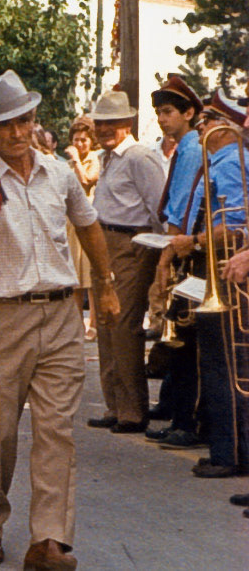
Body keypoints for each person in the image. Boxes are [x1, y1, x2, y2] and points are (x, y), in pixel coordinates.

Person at [0, 70, 119, 570]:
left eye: (24, 121)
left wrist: (106, 284)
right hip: (0, 319)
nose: (17, 132)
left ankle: (50, 540)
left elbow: (88, 226)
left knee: (56, 432)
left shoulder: (59, 172)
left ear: (34, 120)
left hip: (60, 315)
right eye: (5, 124)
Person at [164, 91, 248, 478]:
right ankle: (226, 447)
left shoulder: (232, 162)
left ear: (224, 126)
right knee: (216, 362)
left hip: (227, 269)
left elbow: (234, 225)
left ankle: (230, 452)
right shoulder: (219, 161)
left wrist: (194, 242)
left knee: (225, 364)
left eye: (208, 121)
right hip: (214, 265)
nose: (202, 128)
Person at [87, 90, 166, 434]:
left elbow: (158, 209)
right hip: (104, 240)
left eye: (112, 123)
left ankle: (133, 411)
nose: (104, 129)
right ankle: (115, 406)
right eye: (100, 123)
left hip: (131, 243)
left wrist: (161, 254)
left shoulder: (139, 157)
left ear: (128, 123)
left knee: (123, 325)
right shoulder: (109, 157)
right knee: (106, 325)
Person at [146, 74, 204, 449]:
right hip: (180, 243)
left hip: (187, 249)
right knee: (180, 337)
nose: (161, 119)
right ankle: (176, 410)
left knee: (185, 339)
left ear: (188, 113)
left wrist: (166, 257)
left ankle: (187, 420)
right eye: (159, 113)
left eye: (168, 112)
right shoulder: (184, 147)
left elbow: (185, 206)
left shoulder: (194, 149)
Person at [64, 116, 100, 340]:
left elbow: (87, 181)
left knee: (91, 276)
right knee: (75, 277)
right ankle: (77, 324)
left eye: (83, 140)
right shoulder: (68, 165)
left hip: (89, 219)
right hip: (71, 223)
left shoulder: (94, 159)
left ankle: (93, 324)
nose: (79, 144)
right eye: (76, 140)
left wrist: (77, 160)